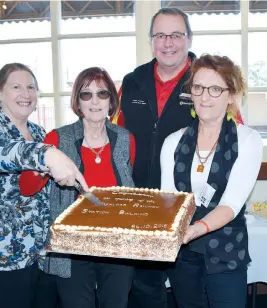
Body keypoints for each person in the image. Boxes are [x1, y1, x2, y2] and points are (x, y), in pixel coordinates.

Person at [0, 63, 88, 308]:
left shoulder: (38, 131)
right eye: (16, 86)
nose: (26, 93)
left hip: (40, 255)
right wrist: (47, 155)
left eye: (31, 87)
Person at [19, 67, 135, 308]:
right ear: (77, 102)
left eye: (102, 94)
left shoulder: (125, 139)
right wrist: (45, 167)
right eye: (86, 94)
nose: (95, 101)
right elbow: (26, 186)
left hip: (116, 245)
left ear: (111, 100)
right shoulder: (56, 139)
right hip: (73, 249)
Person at [160, 54, 263, 308]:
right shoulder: (173, 142)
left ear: (231, 95)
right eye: (198, 87)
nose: (205, 97)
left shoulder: (247, 140)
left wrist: (195, 229)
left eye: (215, 89)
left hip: (226, 250)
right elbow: (168, 200)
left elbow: (231, 204)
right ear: (191, 93)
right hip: (183, 254)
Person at [112, 8, 196, 308]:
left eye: (176, 35)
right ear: (151, 41)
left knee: (192, 290)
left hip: (190, 206)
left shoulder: (207, 80)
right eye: (161, 35)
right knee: (146, 290)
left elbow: (231, 134)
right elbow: (113, 136)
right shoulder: (132, 81)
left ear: (189, 38)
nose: (168, 43)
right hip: (142, 205)